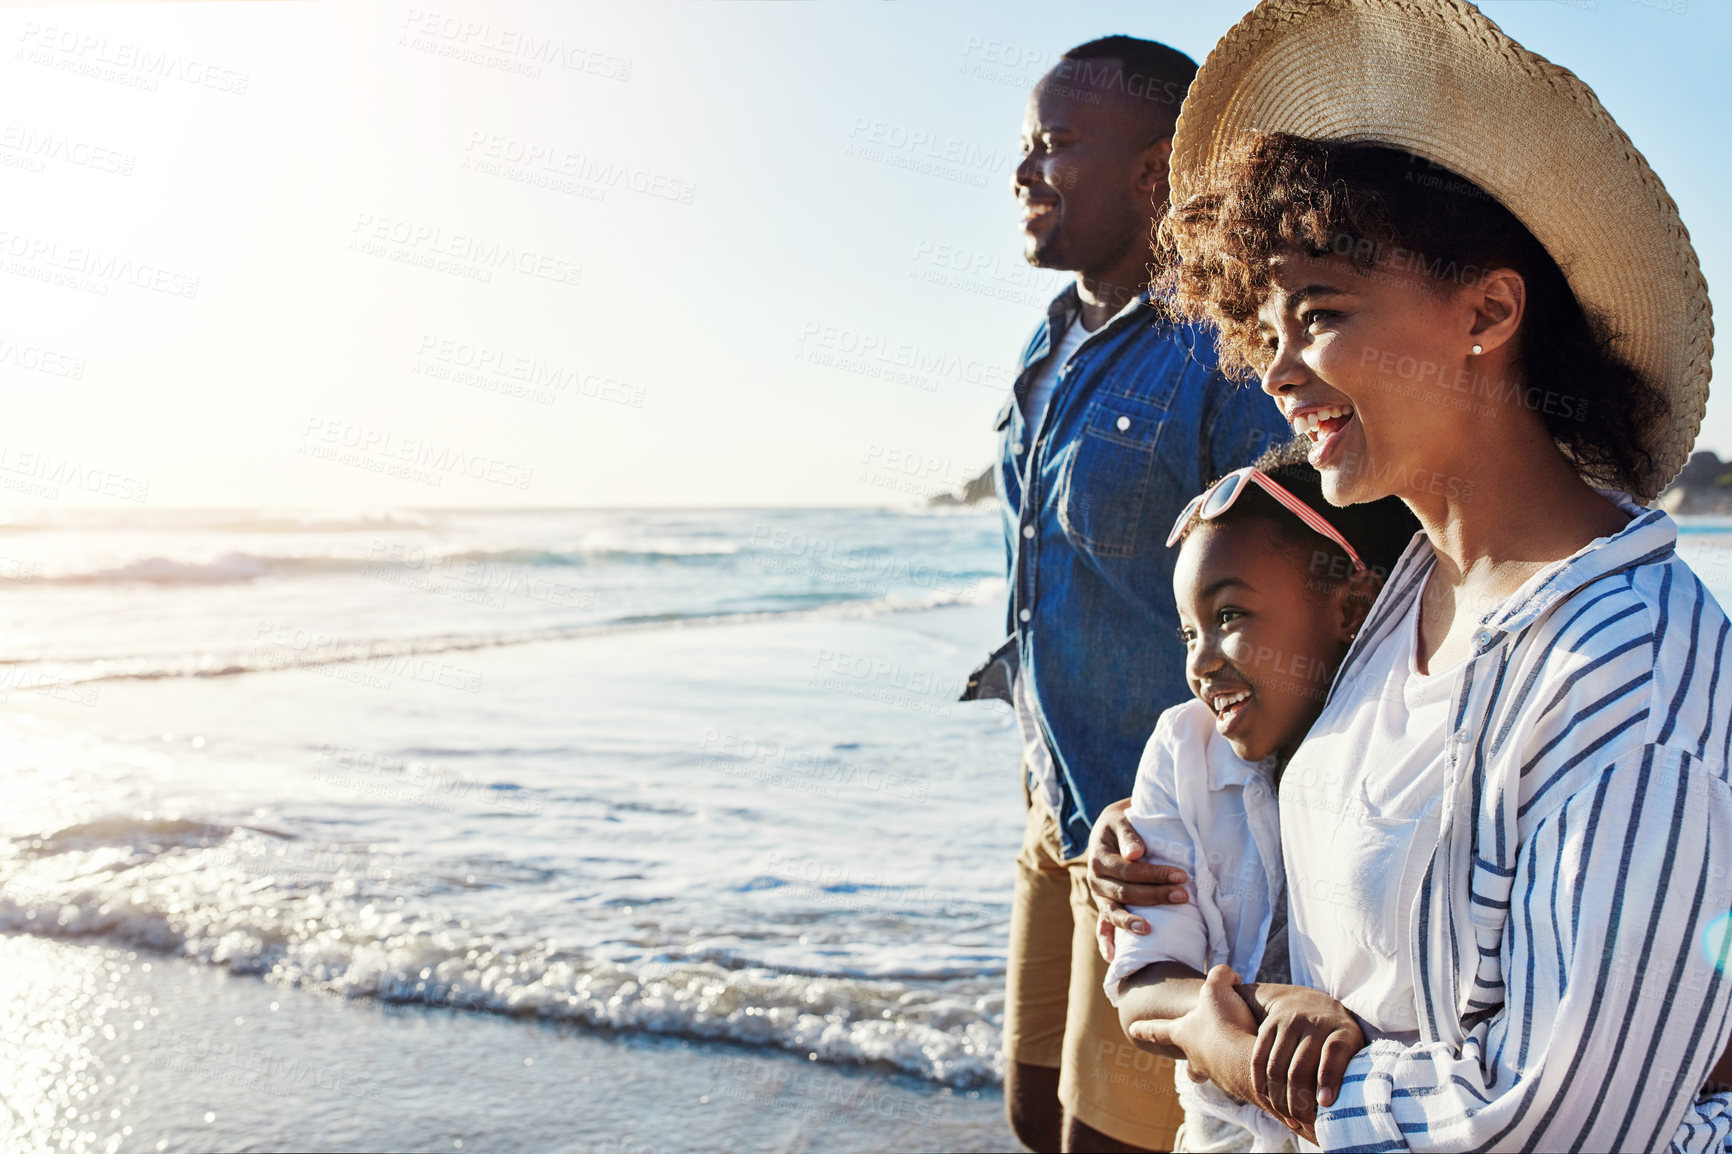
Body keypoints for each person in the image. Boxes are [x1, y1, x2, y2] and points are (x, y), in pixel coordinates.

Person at [1084, 1, 1732, 1149]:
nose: (1277, 369)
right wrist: (1158, 857)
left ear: (1487, 309)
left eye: (1321, 313)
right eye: (1265, 325)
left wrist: (1237, 1052)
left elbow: (1550, 1122)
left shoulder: (1626, 673)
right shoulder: (1402, 592)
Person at [960, 33, 1290, 1154]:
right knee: (1028, 1108)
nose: (1022, 174)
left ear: (1156, 174)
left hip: (1166, 842)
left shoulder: (1228, 347)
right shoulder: (1046, 341)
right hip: (1056, 805)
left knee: (1118, 1141)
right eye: (1024, 147)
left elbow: (1301, 605)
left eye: (1053, 145)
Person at [1103, 442, 1418, 1153]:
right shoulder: (1184, 751)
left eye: (1231, 617)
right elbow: (1144, 986)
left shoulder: (1408, 756)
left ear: (1352, 606)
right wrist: (1263, 1007)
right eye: (1188, 630)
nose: (1199, 661)